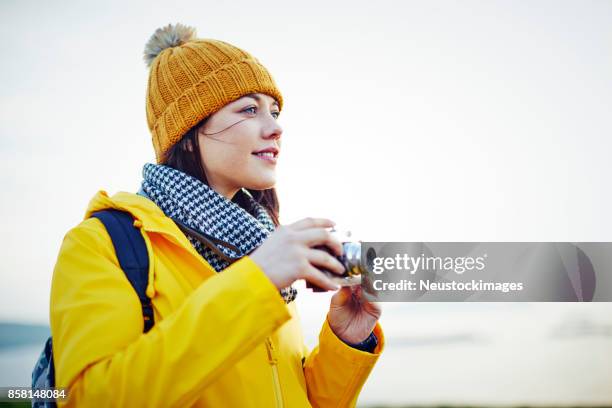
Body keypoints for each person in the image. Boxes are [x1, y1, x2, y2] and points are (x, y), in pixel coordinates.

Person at [49, 23, 384, 407]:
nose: (275, 128)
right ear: (189, 133)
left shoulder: (260, 244)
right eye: (249, 109)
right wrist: (256, 281)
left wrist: (346, 340)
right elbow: (88, 399)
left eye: (274, 111)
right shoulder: (101, 244)